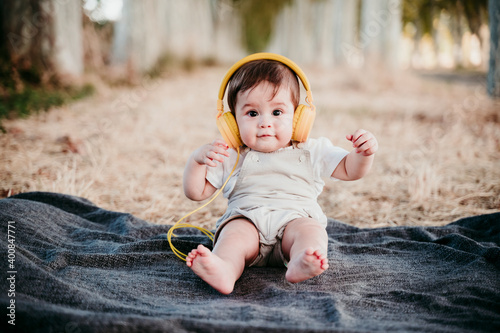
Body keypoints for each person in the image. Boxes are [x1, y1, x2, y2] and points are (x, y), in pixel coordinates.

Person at [183, 55, 378, 294]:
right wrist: (197, 160)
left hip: (294, 221)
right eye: (252, 114)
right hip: (248, 221)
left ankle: (301, 261)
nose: (265, 123)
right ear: (232, 122)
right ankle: (224, 270)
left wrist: (363, 153)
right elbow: (196, 192)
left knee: (311, 231)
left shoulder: (312, 151)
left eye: (277, 112)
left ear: (298, 118)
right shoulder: (231, 156)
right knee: (233, 237)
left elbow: (350, 170)